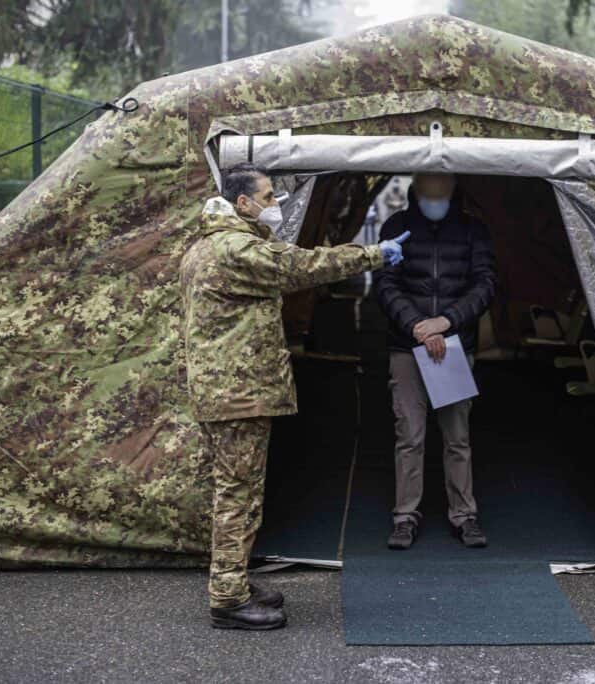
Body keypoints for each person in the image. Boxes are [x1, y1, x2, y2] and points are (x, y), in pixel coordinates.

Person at [180, 163, 408, 630]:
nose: (273, 205)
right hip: (236, 394)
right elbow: (300, 267)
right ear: (241, 204)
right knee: (237, 495)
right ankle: (227, 598)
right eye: (266, 197)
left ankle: (236, 581)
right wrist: (372, 255)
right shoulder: (234, 249)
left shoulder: (209, 245)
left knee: (240, 492)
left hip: (227, 390)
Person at [373, 172, 496, 550]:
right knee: (409, 435)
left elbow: (485, 283)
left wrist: (447, 322)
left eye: (442, 195)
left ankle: (464, 515)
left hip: (455, 345)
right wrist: (417, 327)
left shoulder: (474, 230)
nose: (435, 201)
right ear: (416, 194)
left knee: (457, 436)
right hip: (407, 345)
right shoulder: (396, 226)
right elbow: (385, 284)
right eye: (429, 195)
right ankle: (404, 516)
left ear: (454, 193)